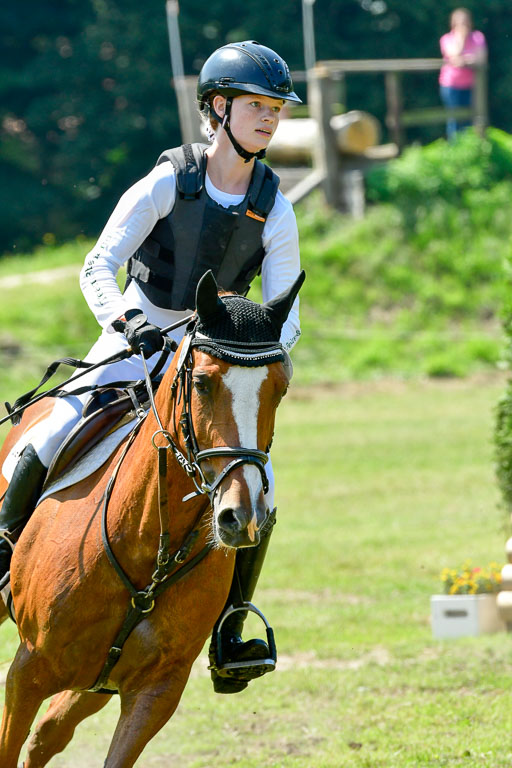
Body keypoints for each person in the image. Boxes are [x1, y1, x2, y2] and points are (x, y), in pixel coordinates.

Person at [0, 41, 302, 694]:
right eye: (257, 106)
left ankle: (231, 627)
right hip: (138, 331)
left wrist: (250, 347)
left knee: (262, 488)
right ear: (218, 108)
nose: (269, 118)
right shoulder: (170, 180)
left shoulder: (276, 205)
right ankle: (4, 551)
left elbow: (286, 312)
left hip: (213, 354)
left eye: (275, 109)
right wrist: (127, 326)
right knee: (52, 431)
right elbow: (95, 265)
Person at [439, 8, 487, 140]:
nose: (464, 25)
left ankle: (469, 150)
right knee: (454, 119)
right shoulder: (447, 39)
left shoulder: (478, 37)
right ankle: (455, 151)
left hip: (471, 84)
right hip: (451, 85)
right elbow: (453, 55)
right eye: (460, 22)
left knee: (471, 119)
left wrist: (463, 60)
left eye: (466, 22)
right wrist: (460, 38)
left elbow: (481, 59)